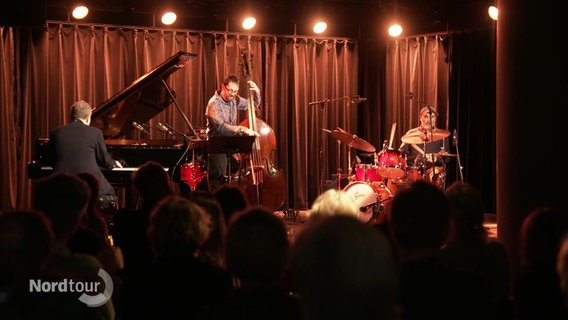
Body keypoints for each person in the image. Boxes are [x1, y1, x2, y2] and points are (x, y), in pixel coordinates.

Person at [48, 100, 122, 202]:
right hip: (87, 185)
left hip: (61, 184)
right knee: (109, 192)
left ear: (71, 116)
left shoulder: (55, 133)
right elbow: (104, 160)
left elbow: (51, 160)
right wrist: (114, 163)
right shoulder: (95, 133)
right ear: (88, 118)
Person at [205, 74, 261, 191]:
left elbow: (253, 106)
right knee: (218, 180)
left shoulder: (235, 99)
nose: (233, 94)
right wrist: (243, 130)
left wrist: (257, 92)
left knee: (234, 176)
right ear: (223, 87)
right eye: (230, 90)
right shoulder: (214, 103)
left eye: (236, 91)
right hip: (217, 146)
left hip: (230, 146)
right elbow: (222, 128)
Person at [398, 106, 451, 188]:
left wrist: (436, 159)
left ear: (435, 119)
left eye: (432, 117)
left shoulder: (443, 136)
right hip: (413, 172)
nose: (428, 120)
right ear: (420, 117)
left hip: (432, 171)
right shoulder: (411, 134)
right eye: (425, 116)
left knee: (436, 175)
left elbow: (447, 158)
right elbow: (400, 154)